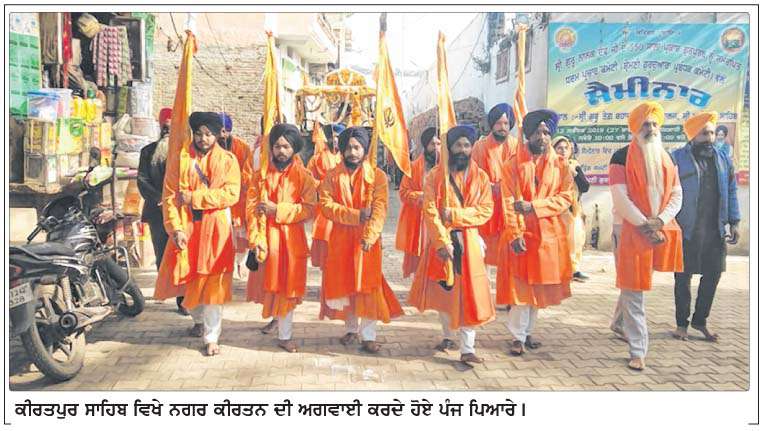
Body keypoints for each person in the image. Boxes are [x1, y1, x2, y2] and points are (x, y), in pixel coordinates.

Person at [154, 112, 241, 357]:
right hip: (187, 227)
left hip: (216, 228)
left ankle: (212, 337)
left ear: (218, 135)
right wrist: (175, 228)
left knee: (214, 282)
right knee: (187, 277)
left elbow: (231, 194)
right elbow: (170, 196)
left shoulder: (228, 160)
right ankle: (199, 320)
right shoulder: (180, 159)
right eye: (200, 134)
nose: (204, 139)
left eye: (209, 134)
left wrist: (196, 197)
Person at [408, 125, 495, 363]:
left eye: (467, 145)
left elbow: (486, 210)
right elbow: (430, 211)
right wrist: (441, 241)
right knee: (445, 292)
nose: (462, 150)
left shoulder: (481, 177)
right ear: (450, 148)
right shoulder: (435, 176)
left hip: (470, 243)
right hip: (442, 242)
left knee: (469, 294)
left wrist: (456, 215)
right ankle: (447, 335)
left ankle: (468, 348)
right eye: (458, 145)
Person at [608, 101, 683, 371]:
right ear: (635, 129)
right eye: (645, 125)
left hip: (658, 228)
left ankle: (618, 323)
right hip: (629, 228)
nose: (650, 129)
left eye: (654, 124)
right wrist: (646, 225)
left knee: (634, 284)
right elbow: (621, 199)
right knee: (634, 287)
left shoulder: (667, 157)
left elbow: (677, 194)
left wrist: (660, 221)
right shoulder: (620, 157)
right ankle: (638, 350)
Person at [317, 126, 403, 354]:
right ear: (342, 150)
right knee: (346, 284)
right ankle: (350, 329)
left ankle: (369, 336)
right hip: (341, 238)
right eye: (348, 148)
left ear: (365, 150)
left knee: (368, 287)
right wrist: (355, 215)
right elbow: (326, 206)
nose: (353, 152)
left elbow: (380, 209)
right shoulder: (331, 176)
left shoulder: (377, 176)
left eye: (357, 147)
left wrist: (370, 235)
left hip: (367, 242)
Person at [496, 109, 575, 356]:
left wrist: (535, 206)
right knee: (521, 288)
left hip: (549, 235)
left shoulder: (561, 165)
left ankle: (528, 333)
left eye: (547, 132)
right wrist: (514, 234)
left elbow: (566, 198)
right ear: (528, 135)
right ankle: (517, 337)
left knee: (538, 287)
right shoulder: (512, 164)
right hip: (520, 233)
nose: (543, 137)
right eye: (538, 132)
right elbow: (508, 201)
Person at [246, 123, 317, 353]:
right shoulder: (260, 177)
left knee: (288, 288)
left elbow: (309, 209)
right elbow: (251, 209)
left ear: (294, 148)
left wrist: (278, 209)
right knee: (272, 286)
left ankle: (285, 335)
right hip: (267, 240)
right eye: (277, 146)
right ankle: (277, 322)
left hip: (292, 241)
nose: (281, 151)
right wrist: (255, 239)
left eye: (286, 146)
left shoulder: (304, 177)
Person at [671, 112, 741, 342]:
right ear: (692, 136)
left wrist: (734, 221)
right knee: (683, 277)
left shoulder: (723, 159)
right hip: (687, 229)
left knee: (713, 274)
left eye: (711, 133)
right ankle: (681, 324)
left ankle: (700, 321)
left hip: (714, 229)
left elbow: (731, 190)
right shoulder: (677, 159)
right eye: (704, 134)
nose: (710, 138)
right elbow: (667, 192)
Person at [138, 108, 189, 314]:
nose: (168, 131)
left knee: (182, 254)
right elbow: (142, 180)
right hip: (157, 213)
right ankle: (167, 289)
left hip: (181, 212)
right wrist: (160, 199)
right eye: (165, 127)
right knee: (162, 256)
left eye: (172, 127)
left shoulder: (186, 153)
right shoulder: (148, 151)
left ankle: (183, 300)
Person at [471, 103, 518, 266]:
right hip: (487, 205)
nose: (502, 127)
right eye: (498, 123)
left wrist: (507, 187)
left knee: (510, 256)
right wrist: (489, 186)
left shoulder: (517, 146)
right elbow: (472, 174)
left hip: (510, 207)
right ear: (492, 124)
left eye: (506, 123)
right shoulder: (480, 146)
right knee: (484, 255)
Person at [396, 126, 440, 278]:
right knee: (420, 260)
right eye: (433, 144)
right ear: (426, 146)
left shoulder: (448, 168)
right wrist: (420, 196)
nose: (436, 148)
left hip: (441, 219)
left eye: (439, 144)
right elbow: (403, 193)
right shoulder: (414, 167)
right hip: (420, 221)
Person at [219, 112, 253, 280]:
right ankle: (227, 264)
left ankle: (241, 262)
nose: (222, 135)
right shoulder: (212, 149)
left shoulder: (242, 147)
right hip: (219, 198)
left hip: (239, 198)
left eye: (225, 131)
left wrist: (237, 181)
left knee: (241, 234)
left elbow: (248, 172)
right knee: (224, 233)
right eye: (219, 131)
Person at [306, 123, 345, 271]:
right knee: (325, 236)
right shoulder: (317, 158)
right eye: (332, 137)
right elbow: (309, 179)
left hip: (344, 205)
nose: (335, 140)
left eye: (338, 137)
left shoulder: (347, 157)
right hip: (324, 204)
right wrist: (322, 186)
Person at [552, 135, 591, 281]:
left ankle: (574, 270)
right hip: (555, 209)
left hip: (573, 210)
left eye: (565, 148)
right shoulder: (549, 166)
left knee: (575, 239)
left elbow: (585, 187)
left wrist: (574, 174)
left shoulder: (574, 165)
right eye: (559, 148)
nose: (563, 151)